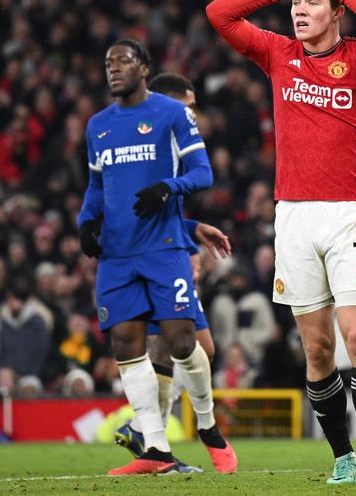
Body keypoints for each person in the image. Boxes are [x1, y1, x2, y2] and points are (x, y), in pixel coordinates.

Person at [207, 0, 356, 485]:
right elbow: (219, 14)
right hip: (292, 216)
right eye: (296, 4)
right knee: (316, 349)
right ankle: (342, 458)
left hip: (347, 213)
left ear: (337, 12)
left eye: (312, 3)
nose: (299, 10)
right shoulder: (279, 54)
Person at [78, 39, 219, 475]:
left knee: (182, 340)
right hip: (117, 255)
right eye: (108, 63)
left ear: (144, 68)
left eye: (123, 61)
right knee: (125, 343)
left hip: (163, 248)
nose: (114, 68)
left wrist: (167, 188)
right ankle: (156, 448)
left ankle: (208, 424)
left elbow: (203, 173)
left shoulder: (172, 114)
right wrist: (86, 222)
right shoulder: (98, 125)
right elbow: (96, 186)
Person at [111, 72, 237, 473]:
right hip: (144, 258)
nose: (192, 115)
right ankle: (158, 439)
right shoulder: (138, 143)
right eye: (187, 106)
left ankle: (148, 436)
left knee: (198, 348)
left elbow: (156, 209)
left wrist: (191, 229)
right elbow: (130, 213)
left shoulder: (172, 145)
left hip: (169, 247)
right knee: (173, 344)